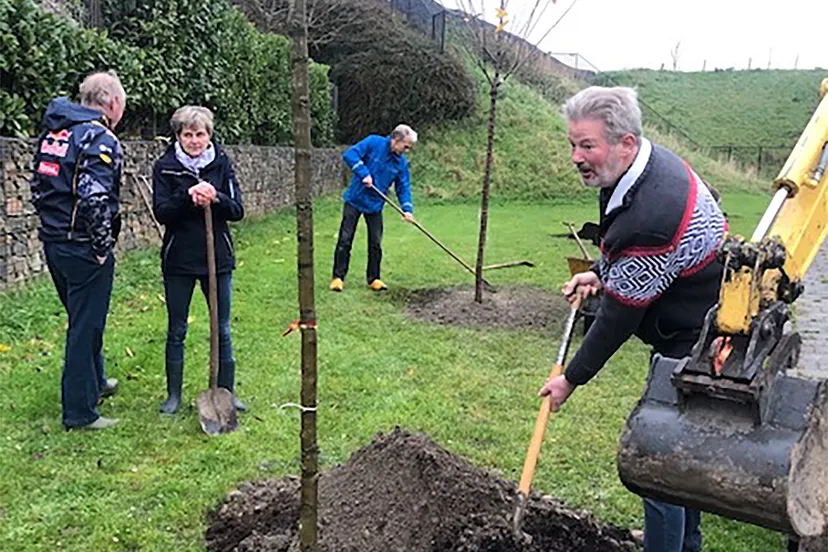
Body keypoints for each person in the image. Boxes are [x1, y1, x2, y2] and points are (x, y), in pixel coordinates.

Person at [539, 86, 727, 552]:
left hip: (694, 335)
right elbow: (622, 247)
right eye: (572, 144)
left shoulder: (651, 212)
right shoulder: (644, 166)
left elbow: (620, 316)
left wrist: (572, 379)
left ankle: (666, 545)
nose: (576, 156)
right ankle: (682, 543)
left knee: (658, 453)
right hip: (697, 316)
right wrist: (599, 274)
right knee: (680, 446)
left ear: (624, 142)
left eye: (587, 145)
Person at [30, 71, 126, 430]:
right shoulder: (99, 138)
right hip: (84, 248)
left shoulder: (55, 133)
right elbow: (95, 197)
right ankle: (80, 413)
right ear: (113, 103)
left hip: (54, 242)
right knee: (84, 326)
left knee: (85, 318)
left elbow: (38, 185)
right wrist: (102, 248)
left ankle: (96, 383)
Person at [152, 106, 246, 414]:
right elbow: (161, 211)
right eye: (188, 134)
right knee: (176, 328)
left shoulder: (221, 164)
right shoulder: (165, 167)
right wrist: (187, 196)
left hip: (217, 260)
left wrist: (215, 196)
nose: (194, 140)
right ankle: (173, 396)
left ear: (209, 135)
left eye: (200, 134)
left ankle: (226, 393)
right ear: (178, 136)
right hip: (179, 259)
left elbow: (237, 210)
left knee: (222, 328)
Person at [330, 124, 417, 292]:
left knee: (375, 243)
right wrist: (364, 173)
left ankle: (374, 278)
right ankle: (338, 277)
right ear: (396, 140)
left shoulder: (401, 163)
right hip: (355, 199)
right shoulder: (373, 142)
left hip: (375, 205)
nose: (406, 150)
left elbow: (403, 186)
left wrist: (407, 209)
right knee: (345, 240)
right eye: (406, 146)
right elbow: (350, 154)